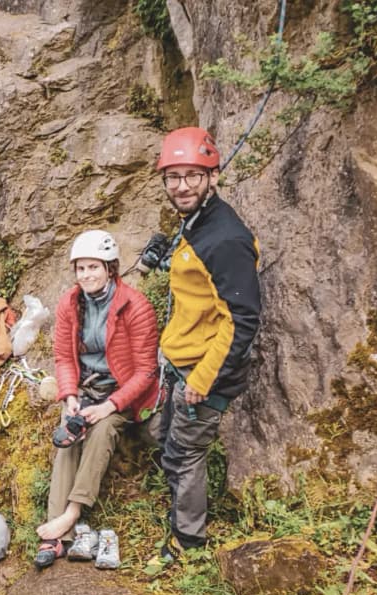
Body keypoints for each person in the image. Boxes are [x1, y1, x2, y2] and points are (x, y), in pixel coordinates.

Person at [146, 127, 261, 563]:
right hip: (185, 362)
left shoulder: (225, 238)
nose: (181, 186)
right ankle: (181, 514)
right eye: (173, 177)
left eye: (192, 175)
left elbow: (242, 319)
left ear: (213, 176)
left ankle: (187, 542)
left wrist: (203, 379)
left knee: (184, 454)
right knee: (167, 441)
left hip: (204, 370)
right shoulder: (198, 222)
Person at [35, 230, 159, 569]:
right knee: (69, 433)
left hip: (122, 395)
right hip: (87, 390)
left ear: (110, 268)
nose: (86, 275)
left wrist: (109, 406)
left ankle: (71, 514)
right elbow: (63, 357)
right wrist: (69, 396)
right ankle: (57, 540)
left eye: (94, 267)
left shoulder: (136, 306)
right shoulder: (69, 304)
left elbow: (146, 371)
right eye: (81, 268)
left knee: (101, 430)